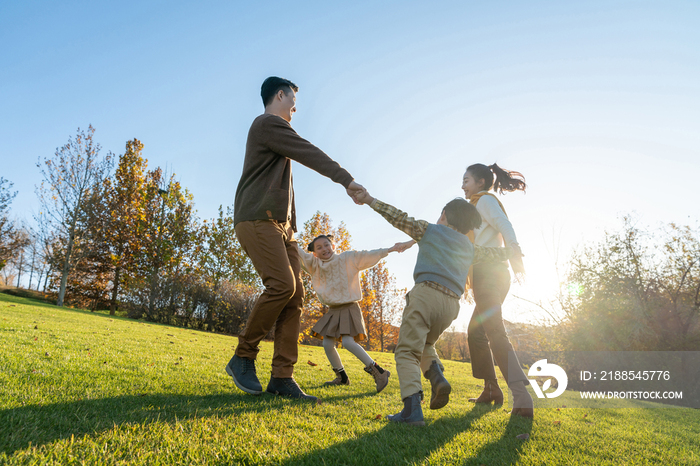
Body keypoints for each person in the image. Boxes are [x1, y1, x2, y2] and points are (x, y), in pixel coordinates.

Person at [227, 77, 364, 401]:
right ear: (279, 95)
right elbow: (309, 152)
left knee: (295, 296)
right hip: (257, 219)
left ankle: (282, 377)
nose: (294, 109)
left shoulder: (274, 133)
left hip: (281, 228)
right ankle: (243, 356)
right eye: (293, 102)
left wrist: (292, 227)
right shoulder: (267, 124)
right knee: (282, 285)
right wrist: (346, 180)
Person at [353, 188, 514, 426]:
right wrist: (513, 251)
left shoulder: (429, 229)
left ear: (445, 215)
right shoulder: (469, 247)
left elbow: (398, 216)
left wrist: (370, 200)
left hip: (426, 294)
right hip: (450, 306)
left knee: (407, 351)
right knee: (426, 343)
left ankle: (411, 409)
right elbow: (493, 255)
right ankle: (437, 377)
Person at [461, 163, 533, 418]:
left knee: (493, 331)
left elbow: (505, 225)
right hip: (485, 274)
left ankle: (522, 397)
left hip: (491, 272)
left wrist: (516, 257)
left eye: (467, 180)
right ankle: (491, 389)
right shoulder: (473, 207)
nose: (463, 186)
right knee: (476, 332)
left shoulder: (485, 201)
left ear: (480, 182)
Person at [299, 234, 414, 392]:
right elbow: (298, 252)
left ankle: (379, 372)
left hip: (349, 307)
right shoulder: (314, 265)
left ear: (333, 246)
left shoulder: (347, 258)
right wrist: (285, 236)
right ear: (315, 253)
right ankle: (342, 378)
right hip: (333, 309)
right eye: (319, 247)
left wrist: (391, 249)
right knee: (327, 343)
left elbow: (368, 254)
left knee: (347, 342)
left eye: (327, 245)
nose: (324, 249)